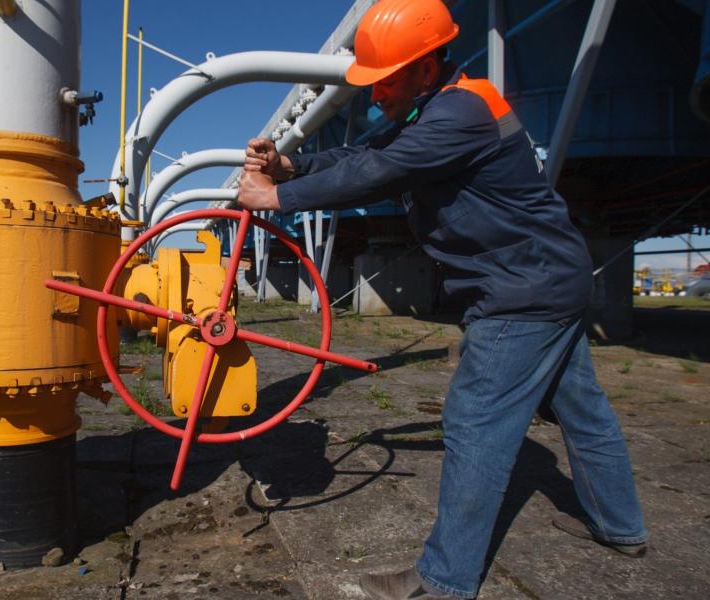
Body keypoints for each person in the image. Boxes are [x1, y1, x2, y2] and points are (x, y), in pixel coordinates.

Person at [235, 1, 648, 598]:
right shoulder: (444, 106)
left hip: (521, 289)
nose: (376, 95)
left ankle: (445, 580)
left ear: (427, 69)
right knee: (583, 411)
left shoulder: (460, 113)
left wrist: (277, 199)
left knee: (475, 421)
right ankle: (621, 527)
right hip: (547, 277)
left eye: (387, 80)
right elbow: (365, 156)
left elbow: (385, 171)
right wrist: (293, 164)